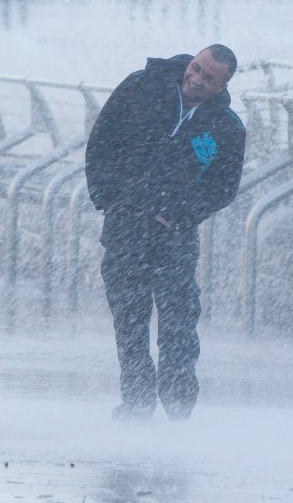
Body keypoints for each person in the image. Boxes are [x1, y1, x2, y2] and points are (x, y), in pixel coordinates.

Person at [85, 44, 246, 421]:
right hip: (125, 228)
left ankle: (177, 400)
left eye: (209, 78)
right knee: (130, 319)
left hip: (175, 235)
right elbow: (101, 143)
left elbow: (224, 188)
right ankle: (137, 402)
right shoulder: (140, 88)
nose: (197, 79)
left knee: (179, 316)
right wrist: (111, 199)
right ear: (190, 63)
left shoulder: (226, 127)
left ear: (222, 85)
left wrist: (177, 215)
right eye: (196, 68)